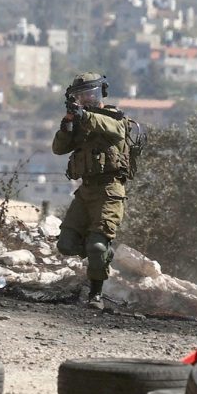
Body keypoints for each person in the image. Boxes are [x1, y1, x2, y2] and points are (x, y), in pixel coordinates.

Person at [52, 72, 130, 310]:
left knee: (96, 248)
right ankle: (99, 251)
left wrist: (84, 116)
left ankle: (95, 295)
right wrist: (68, 123)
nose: (86, 98)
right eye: (81, 95)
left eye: (90, 94)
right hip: (86, 190)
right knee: (65, 244)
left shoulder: (113, 117)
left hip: (109, 191)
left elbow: (115, 129)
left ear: (101, 94)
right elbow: (58, 148)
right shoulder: (79, 122)